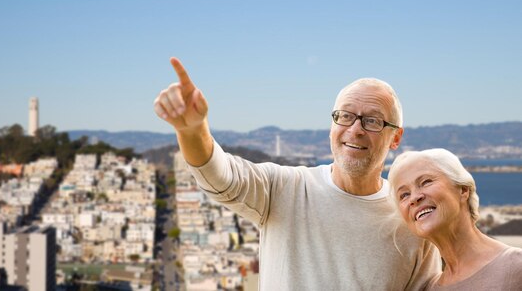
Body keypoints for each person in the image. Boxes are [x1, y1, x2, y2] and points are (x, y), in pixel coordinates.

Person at [154, 57, 441, 290]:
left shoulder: (413, 221)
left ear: (395, 138)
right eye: (345, 116)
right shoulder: (284, 188)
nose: (355, 129)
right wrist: (192, 130)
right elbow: (220, 175)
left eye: (373, 121)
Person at [388, 148, 522, 291]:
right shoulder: (429, 288)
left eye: (426, 182)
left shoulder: (516, 266)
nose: (414, 198)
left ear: (463, 189)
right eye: (404, 195)